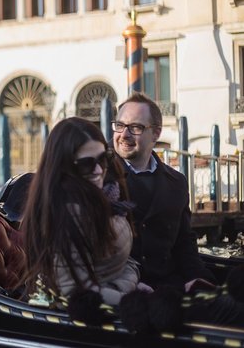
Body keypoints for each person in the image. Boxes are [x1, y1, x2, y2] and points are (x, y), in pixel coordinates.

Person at [113, 92, 244, 325]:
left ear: (156, 133)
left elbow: (185, 243)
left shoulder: (176, 182)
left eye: (135, 127)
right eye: (120, 125)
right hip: (127, 293)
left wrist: (200, 280)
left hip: (170, 286)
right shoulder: (99, 178)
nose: (123, 134)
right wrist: (127, 284)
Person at [20, 117, 139, 307]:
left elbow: (126, 262)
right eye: (86, 164)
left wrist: (125, 287)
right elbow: (75, 292)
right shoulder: (66, 214)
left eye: (103, 159)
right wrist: (131, 298)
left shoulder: (108, 197)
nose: (99, 170)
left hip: (111, 300)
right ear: (64, 167)